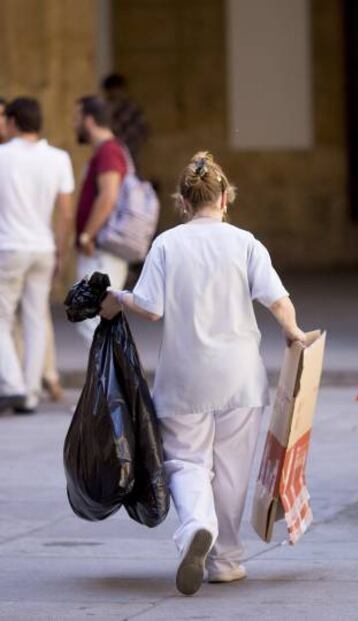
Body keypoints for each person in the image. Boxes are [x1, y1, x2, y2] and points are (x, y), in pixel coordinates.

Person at [100, 151, 306, 595]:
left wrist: (118, 296)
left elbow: (151, 309)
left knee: (186, 462)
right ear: (226, 198)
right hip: (240, 376)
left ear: (183, 201)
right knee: (232, 470)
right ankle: (227, 561)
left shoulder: (168, 244)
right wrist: (293, 331)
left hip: (184, 376)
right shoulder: (246, 242)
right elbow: (277, 299)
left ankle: (196, 524)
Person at [0, 97, 74, 413]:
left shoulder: (2, 156)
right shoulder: (59, 158)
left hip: (9, 246)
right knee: (35, 318)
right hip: (44, 247)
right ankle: (29, 394)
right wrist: (60, 251)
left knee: (2, 318)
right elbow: (66, 213)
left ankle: (13, 384)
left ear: (13, 122)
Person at [74, 95, 129, 345]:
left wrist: (87, 234)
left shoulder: (108, 151)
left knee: (89, 316)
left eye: (77, 118)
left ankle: (106, 382)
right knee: (98, 318)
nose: (74, 123)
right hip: (102, 248)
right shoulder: (109, 150)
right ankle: (108, 381)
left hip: (101, 248)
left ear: (88, 120)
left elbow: (108, 195)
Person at [101, 73, 149, 172]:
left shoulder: (131, 109)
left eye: (117, 90)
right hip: (109, 153)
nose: (115, 93)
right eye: (111, 91)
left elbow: (143, 131)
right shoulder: (104, 109)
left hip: (129, 153)